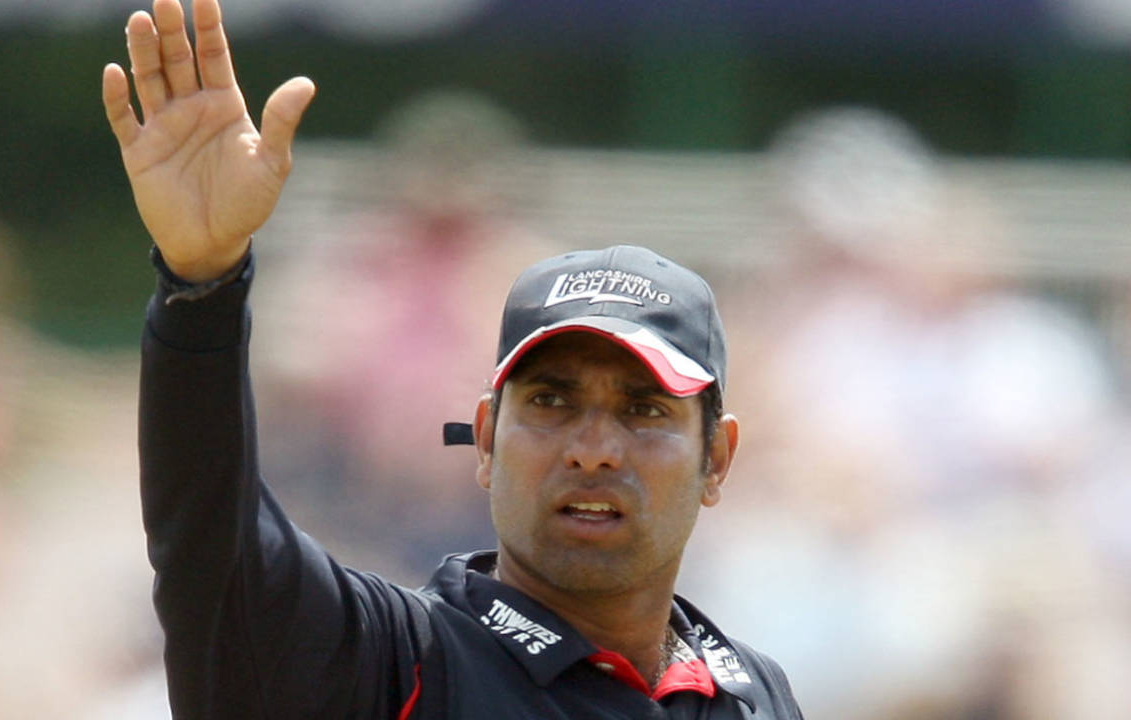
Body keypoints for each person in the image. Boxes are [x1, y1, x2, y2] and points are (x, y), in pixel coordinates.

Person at [101, 1, 804, 717]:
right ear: (488, 438)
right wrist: (202, 285)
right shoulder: (398, 660)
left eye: (644, 409)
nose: (593, 450)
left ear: (716, 456)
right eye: (550, 403)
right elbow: (216, 558)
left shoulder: (752, 692)